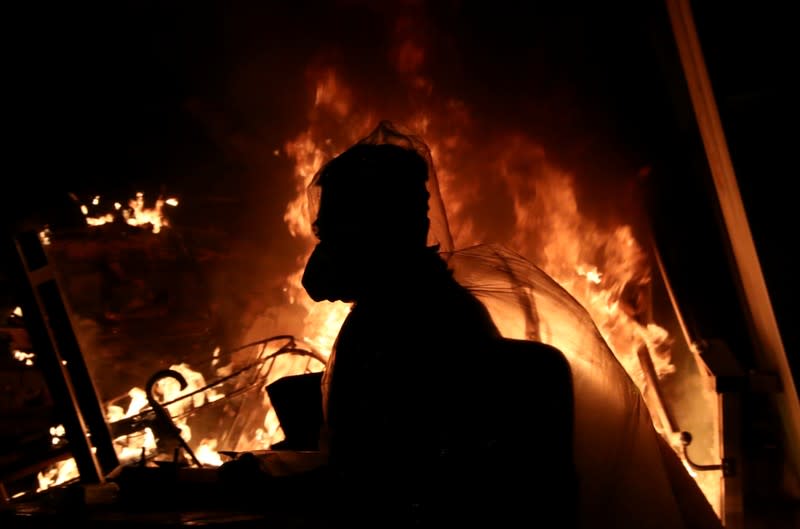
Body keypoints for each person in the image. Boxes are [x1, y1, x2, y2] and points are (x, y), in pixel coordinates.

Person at [301, 122, 577, 527]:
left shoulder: (401, 319)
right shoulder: (422, 296)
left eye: (335, 226)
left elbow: (376, 470)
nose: (327, 240)